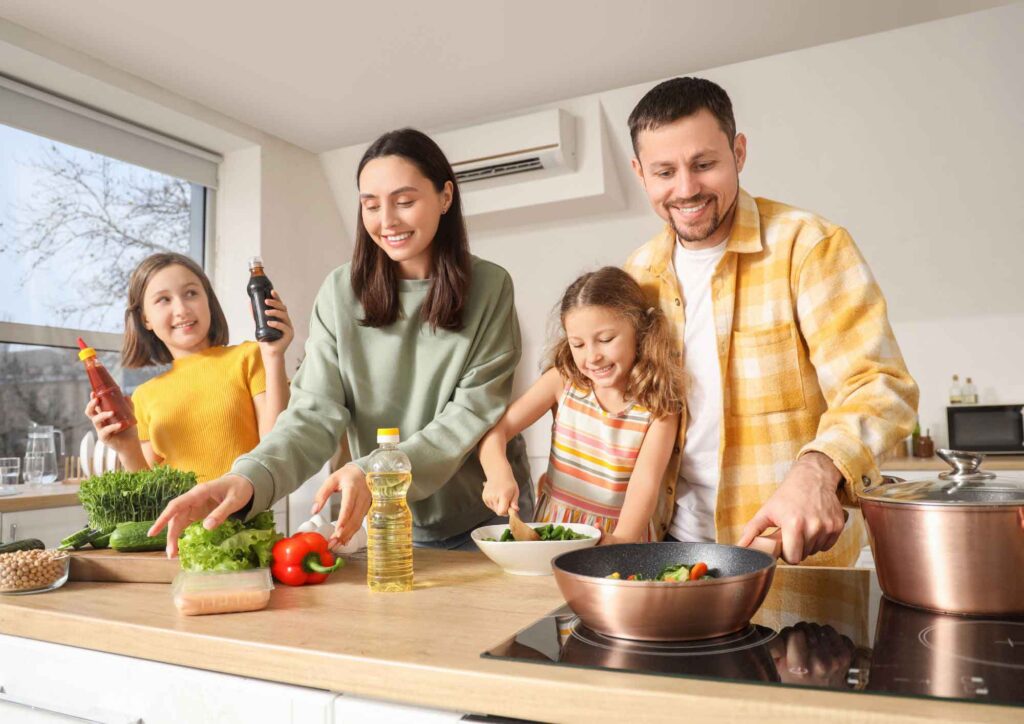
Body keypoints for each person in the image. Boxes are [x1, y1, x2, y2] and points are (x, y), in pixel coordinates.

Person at [149, 128, 533, 555]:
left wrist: (374, 472)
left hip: (484, 516)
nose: (386, 221)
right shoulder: (340, 292)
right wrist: (248, 478)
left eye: (404, 201)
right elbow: (312, 414)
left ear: (445, 197)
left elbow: (470, 415)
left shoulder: (490, 286)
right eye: (371, 205)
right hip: (386, 518)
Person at [623, 77, 918, 564]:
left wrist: (818, 469)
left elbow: (880, 385)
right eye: (664, 172)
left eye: (704, 164)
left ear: (738, 153)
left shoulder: (809, 247)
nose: (686, 188)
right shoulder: (636, 277)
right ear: (640, 174)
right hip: (669, 555)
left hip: (791, 561)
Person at [480, 267, 682, 544]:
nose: (592, 357)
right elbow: (497, 432)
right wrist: (498, 474)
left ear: (640, 329)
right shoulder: (563, 382)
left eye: (606, 340)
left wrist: (621, 539)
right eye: (578, 344)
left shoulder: (658, 406)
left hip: (619, 537)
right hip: (554, 529)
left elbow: (644, 485)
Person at [85, 252, 294, 482]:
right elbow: (150, 496)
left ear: (208, 302)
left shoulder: (249, 357)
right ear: (146, 319)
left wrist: (274, 356)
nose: (182, 308)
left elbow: (274, 449)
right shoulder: (144, 396)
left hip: (244, 514)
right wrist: (127, 448)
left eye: (191, 293)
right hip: (177, 519)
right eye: (164, 299)